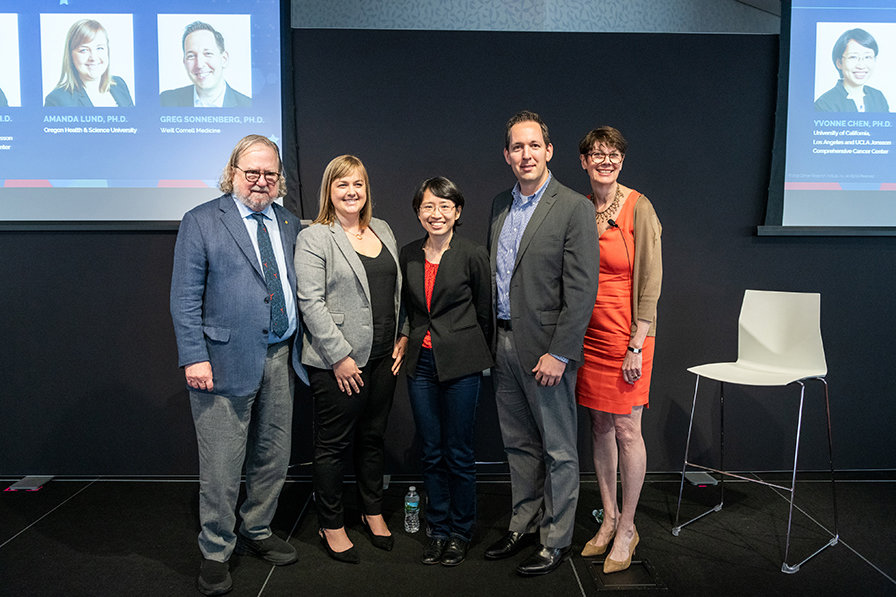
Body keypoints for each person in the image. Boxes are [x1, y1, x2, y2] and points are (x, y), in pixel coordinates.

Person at [170, 134, 305, 595]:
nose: (261, 181)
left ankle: (257, 528)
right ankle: (215, 549)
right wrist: (194, 357)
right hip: (221, 362)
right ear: (233, 173)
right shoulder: (202, 221)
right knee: (223, 465)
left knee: (274, 455)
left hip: (281, 356)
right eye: (252, 173)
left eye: (270, 174)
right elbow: (184, 299)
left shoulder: (288, 223)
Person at [484, 111, 599, 576]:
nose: (526, 154)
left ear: (548, 151)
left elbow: (582, 289)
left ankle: (556, 539)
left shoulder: (573, 206)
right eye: (517, 147)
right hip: (503, 345)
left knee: (558, 449)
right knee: (518, 446)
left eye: (534, 146)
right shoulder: (499, 205)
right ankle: (524, 523)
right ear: (507, 155)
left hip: (548, 351)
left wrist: (561, 352)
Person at [295, 155, 406, 564]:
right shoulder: (315, 236)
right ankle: (331, 523)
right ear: (329, 190)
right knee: (332, 445)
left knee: (373, 439)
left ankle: (372, 509)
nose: (351, 191)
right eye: (342, 184)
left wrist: (404, 334)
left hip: (382, 359)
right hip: (337, 363)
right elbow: (311, 301)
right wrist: (340, 356)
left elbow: (399, 290)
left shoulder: (384, 229)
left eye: (358, 183)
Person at [576, 127, 662, 574]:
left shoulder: (638, 207)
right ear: (584, 161)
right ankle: (608, 519)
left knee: (628, 430)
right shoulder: (581, 207)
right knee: (599, 425)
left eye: (613, 155)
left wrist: (636, 343)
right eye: (597, 154)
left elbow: (651, 280)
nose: (605, 161)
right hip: (588, 336)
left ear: (622, 162)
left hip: (628, 335)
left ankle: (629, 526)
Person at [399, 177, 493, 567]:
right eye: (428, 207)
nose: (436, 214)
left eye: (444, 206)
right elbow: (408, 307)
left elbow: (485, 312)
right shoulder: (408, 253)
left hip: (462, 363)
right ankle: (436, 529)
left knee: (459, 451)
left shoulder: (473, 253)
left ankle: (460, 531)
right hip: (420, 364)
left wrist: (477, 354)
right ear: (418, 212)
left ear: (457, 212)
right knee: (432, 450)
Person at [160, 21, 251, 108]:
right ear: (184, 62)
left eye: (208, 53)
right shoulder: (166, 101)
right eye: (191, 56)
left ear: (224, 59)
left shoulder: (248, 106)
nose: (199, 64)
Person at [45, 19, 134, 107]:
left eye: (99, 48)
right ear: (70, 55)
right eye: (84, 50)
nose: (93, 58)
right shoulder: (57, 101)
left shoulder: (119, 84)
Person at [815, 28, 889, 113]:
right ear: (839, 63)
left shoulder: (878, 97)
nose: (861, 66)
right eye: (853, 57)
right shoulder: (824, 104)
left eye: (867, 57)